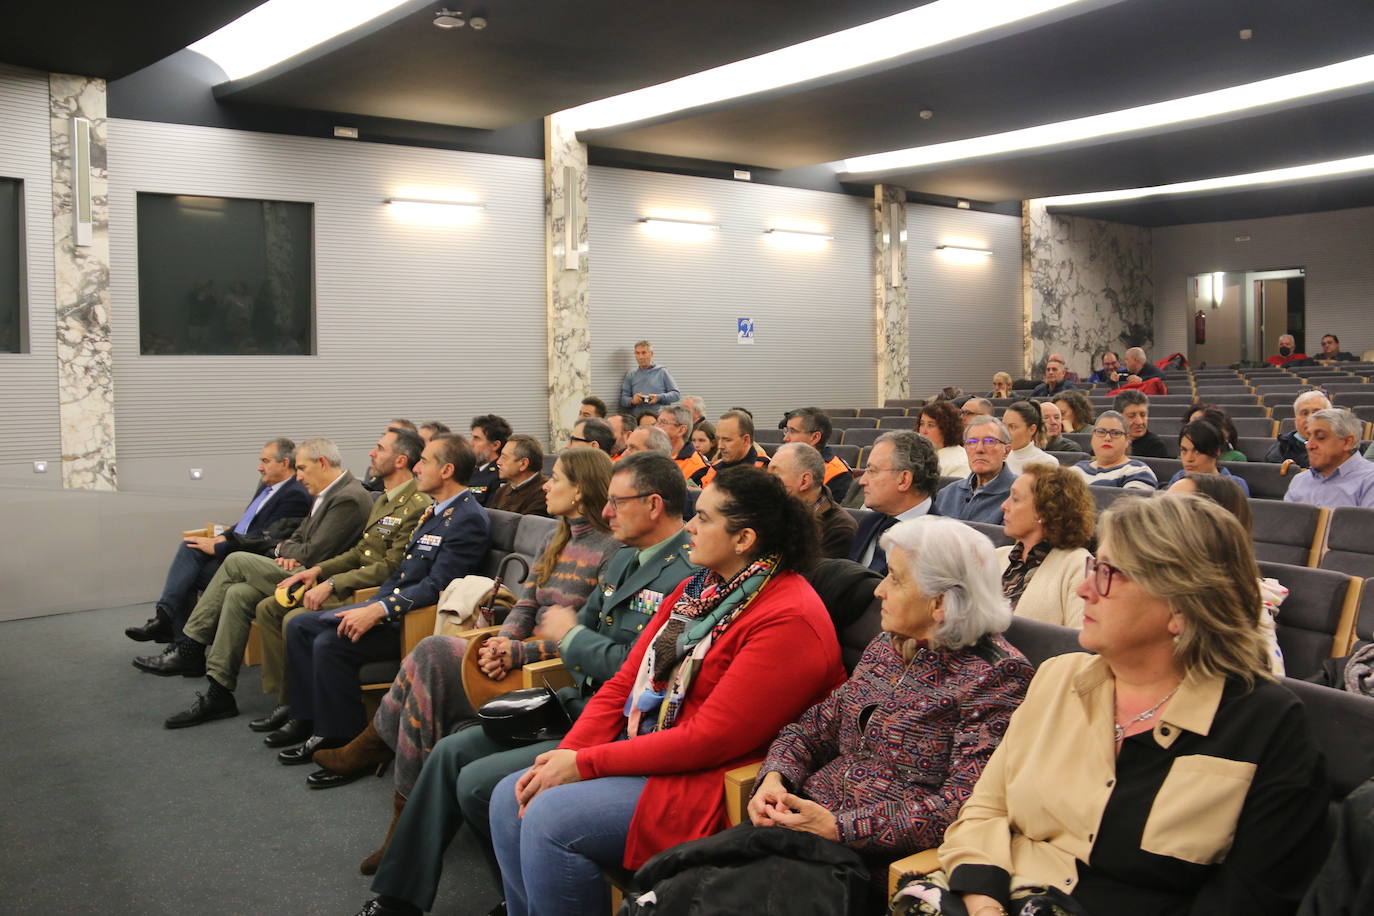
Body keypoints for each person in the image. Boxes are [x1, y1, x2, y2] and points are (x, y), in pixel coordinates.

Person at [933, 495, 1328, 916]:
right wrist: (984, 905)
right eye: (1092, 568)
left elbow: (1252, 898)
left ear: (1181, 603)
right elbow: (987, 809)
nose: (1085, 589)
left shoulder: (1266, 723)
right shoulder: (1057, 678)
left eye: (1108, 574)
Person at [488, 467, 846, 916]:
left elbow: (711, 739)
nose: (689, 528)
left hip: (711, 778)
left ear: (743, 539)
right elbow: (624, 682)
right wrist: (567, 755)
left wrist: (584, 763)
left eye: (703, 519)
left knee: (548, 819)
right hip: (648, 745)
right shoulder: (696, 589)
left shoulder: (787, 617)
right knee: (510, 797)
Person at [354, 453, 697, 916]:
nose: (608, 511)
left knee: (478, 783)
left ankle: (523, 893)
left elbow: (634, 667)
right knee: (449, 754)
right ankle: (400, 897)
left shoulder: (683, 573)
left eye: (617, 502)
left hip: (614, 721)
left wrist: (569, 638)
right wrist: (542, 640)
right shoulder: (626, 560)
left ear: (653, 505)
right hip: (578, 699)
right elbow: (578, 629)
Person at [315, 450, 617, 867]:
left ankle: (379, 758)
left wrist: (516, 651)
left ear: (581, 490)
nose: (546, 485)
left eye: (556, 479)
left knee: (432, 660)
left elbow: (581, 632)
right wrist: (501, 642)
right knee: (429, 662)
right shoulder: (557, 535)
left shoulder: (611, 549)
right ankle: (395, 803)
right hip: (514, 657)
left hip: (548, 672)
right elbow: (525, 606)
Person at [750, 516, 1031, 872]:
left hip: (864, 858)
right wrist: (776, 777)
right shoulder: (889, 644)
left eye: (895, 578)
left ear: (940, 602)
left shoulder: (996, 676)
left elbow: (963, 804)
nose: (878, 590)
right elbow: (812, 729)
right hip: (801, 820)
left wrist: (839, 828)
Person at [277, 434, 491, 763]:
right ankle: (308, 719)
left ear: (447, 470)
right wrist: (370, 604)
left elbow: (437, 586)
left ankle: (343, 739)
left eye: (425, 461)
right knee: (301, 626)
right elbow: (402, 572)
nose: (417, 467)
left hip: (416, 623)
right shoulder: (436, 512)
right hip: (394, 609)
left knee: (328, 643)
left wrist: (378, 609)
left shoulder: (467, 519)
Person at [134, 437, 375, 686]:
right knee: (238, 592)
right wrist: (287, 550)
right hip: (294, 568)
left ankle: (189, 647)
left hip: (317, 579)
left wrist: (285, 550)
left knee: (236, 561)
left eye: (301, 468)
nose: (298, 476)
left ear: (322, 463)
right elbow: (297, 537)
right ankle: (219, 687)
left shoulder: (348, 497)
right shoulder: (323, 491)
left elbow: (310, 553)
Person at [248, 429, 433, 738]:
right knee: (270, 606)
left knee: (295, 618)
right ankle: (296, 707)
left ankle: (305, 713)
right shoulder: (385, 500)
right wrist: (317, 572)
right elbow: (360, 552)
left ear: (400, 460)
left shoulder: (415, 504)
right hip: (355, 583)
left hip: (373, 593)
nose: (371, 454)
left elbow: (390, 566)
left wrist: (331, 582)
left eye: (379, 448)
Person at [123, 437, 310, 644]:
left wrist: (221, 546)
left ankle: (173, 631)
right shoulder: (267, 486)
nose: (259, 467)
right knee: (190, 547)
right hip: (237, 549)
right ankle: (168, 625)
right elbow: (245, 524)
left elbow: (265, 539)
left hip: (252, 562)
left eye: (265, 461)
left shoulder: (295, 494)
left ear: (284, 463)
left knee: (188, 575)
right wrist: (222, 536)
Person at [1167, 473, 1286, 676]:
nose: (1154, 520)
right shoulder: (1152, 587)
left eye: (1172, 512)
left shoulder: (1245, 617)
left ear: (1214, 527)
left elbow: (1265, 693)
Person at [996, 463, 1093, 628]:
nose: (1004, 506)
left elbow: (1080, 642)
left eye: (1016, 498)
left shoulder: (1079, 566)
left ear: (1044, 511)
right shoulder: (996, 556)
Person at [851, 431, 940, 575]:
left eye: (872, 471)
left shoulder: (941, 543)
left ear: (904, 479)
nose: (862, 481)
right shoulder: (867, 524)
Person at [769, 442, 857, 559]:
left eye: (775, 474)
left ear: (804, 481)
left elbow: (812, 574)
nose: (766, 480)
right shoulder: (768, 511)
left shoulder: (839, 528)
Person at [934, 416, 1016, 525]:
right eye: (972, 442)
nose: (979, 449)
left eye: (989, 441)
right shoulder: (946, 494)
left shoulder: (1018, 495)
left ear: (1006, 451)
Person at [1285, 408, 1374, 508]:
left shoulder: (1370, 480)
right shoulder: (1300, 481)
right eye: (1308, 437)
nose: (1309, 445)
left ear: (1347, 442)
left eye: (1321, 437)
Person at [781, 407, 855, 503]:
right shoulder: (786, 462)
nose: (785, 438)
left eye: (793, 431)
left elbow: (829, 515)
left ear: (815, 437)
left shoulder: (838, 474)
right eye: (786, 430)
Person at [1071, 410, 1158, 490]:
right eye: (1101, 432)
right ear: (1092, 437)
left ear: (1127, 440)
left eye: (1116, 433)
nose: (1107, 438)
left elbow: (1130, 506)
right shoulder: (1076, 470)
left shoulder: (1138, 471)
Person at [1167, 420, 1251, 495]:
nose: (1189, 459)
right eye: (1184, 450)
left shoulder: (1234, 485)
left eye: (1197, 451)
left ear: (1216, 451)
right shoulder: (1178, 478)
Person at [487, 435, 549, 517]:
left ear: (523, 464)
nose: (498, 462)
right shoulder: (502, 491)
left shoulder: (544, 493)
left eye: (504, 458)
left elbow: (526, 527)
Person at [1267, 390, 1330, 466]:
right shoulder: (1282, 447)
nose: (1310, 418)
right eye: (1304, 413)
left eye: (1317, 413)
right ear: (1296, 420)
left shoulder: (1341, 446)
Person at [620, 340, 681, 418]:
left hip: (659, 419)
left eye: (644, 353)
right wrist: (632, 401)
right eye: (637, 353)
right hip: (638, 419)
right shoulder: (631, 374)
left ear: (651, 354)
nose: (640, 357)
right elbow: (623, 399)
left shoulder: (662, 372)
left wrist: (659, 397)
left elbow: (676, 395)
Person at [657, 405, 714, 486]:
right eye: (657, 422)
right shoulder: (654, 454)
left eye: (663, 423)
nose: (656, 427)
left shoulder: (697, 467)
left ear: (681, 430)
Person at [918, 401, 972, 478]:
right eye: (922, 424)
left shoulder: (959, 462)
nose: (923, 431)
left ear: (946, 429)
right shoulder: (919, 456)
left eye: (931, 425)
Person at [467, 415, 511, 506]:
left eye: (477, 439)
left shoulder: (500, 476)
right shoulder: (471, 471)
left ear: (495, 445)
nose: (470, 443)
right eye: (472, 437)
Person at [1002, 401, 1053, 474]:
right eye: (1003, 426)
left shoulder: (1047, 463)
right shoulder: (999, 458)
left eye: (1012, 427)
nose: (1005, 432)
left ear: (1032, 429)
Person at [1114, 389, 1168, 458]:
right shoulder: (1108, 441)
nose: (1139, 422)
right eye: (1131, 416)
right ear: (1118, 418)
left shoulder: (1156, 447)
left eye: (1143, 415)